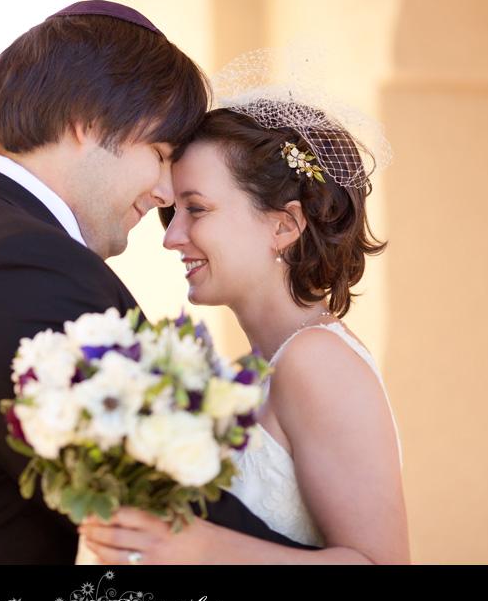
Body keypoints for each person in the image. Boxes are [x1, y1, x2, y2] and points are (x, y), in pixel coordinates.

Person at [0, 2, 315, 564]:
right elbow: (165, 516)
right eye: (160, 153)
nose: (165, 195)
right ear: (89, 121)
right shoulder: (16, 263)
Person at [80, 102, 411, 564]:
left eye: (195, 208)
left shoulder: (317, 360)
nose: (171, 237)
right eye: (173, 212)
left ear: (283, 225)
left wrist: (199, 548)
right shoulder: (250, 373)